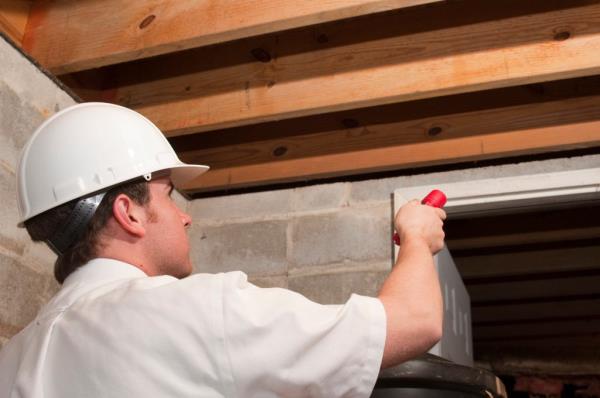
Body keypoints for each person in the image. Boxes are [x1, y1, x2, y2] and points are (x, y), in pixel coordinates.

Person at [0, 102, 446, 397]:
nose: (185, 217)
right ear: (129, 213)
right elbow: (414, 322)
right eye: (169, 196)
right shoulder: (195, 310)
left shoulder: (13, 359)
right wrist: (418, 237)